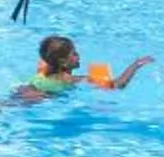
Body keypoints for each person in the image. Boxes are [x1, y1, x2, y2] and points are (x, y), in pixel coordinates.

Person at [10, 34, 153, 105]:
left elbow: (46, 53)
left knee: (7, 105)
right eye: (74, 54)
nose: (79, 56)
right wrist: (136, 65)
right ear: (63, 61)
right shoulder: (72, 80)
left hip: (25, 88)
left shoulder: (44, 68)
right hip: (41, 95)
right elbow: (117, 85)